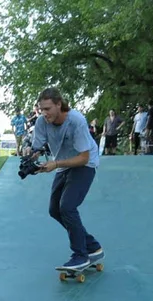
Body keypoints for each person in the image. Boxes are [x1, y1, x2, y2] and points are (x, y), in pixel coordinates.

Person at [25, 87, 103, 270]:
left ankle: (80, 255)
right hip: (62, 164)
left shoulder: (76, 121)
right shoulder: (42, 122)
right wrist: (31, 154)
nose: (44, 113)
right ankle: (92, 247)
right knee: (55, 210)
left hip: (85, 164)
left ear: (59, 104)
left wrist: (56, 164)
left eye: (48, 109)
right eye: (41, 109)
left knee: (67, 207)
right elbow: (37, 147)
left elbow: (84, 157)